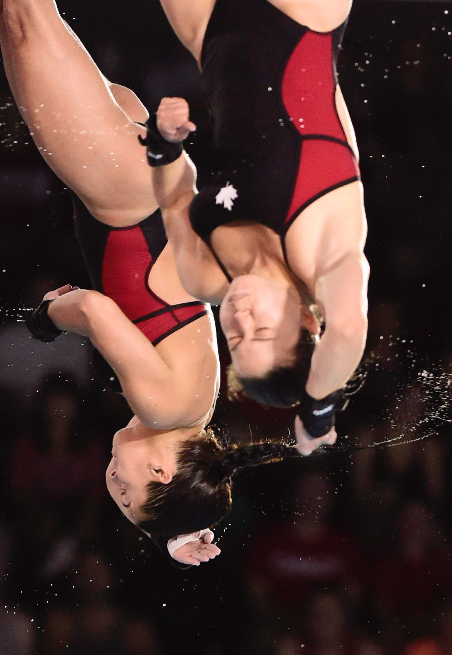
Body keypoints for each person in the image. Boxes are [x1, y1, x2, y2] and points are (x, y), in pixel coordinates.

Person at [0, 0, 305, 565]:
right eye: (124, 491)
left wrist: (178, 528)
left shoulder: (196, 409)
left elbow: (184, 476)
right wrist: (45, 321)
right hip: (121, 190)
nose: (111, 479)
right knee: (24, 17)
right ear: (161, 469)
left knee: (34, 23)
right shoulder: (163, 407)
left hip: (141, 181)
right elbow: (91, 309)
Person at [143, 0, 369, 456]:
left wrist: (163, 147)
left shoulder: (207, 277)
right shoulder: (324, 251)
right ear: (308, 321)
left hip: (208, 35)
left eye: (234, 338)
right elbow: (347, 330)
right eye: (261, 332)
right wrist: (317, 409)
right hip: (303, 17)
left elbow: (173, 201)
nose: (240, 319)